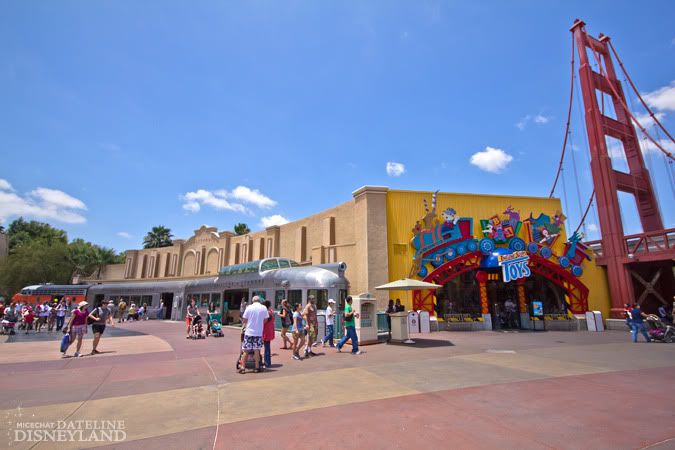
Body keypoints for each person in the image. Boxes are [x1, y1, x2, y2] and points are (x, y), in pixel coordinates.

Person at [238, 296, 268, 373]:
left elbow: (244, 320)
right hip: (258, 333)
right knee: (257, 350)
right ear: (259, 301)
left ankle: (243, 367)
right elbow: (266, 320)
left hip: (249, 333)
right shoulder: (264, 308)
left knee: (246, 350)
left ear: (253, 301)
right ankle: (257, 367)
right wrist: (259, 324)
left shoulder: (249, 307)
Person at [262, 300, 275, 368]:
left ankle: (267, 363)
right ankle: (268, 362)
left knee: (266, 348)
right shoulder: (272, 312)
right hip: (270, 331)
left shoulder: (267, 313)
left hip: (265, 332)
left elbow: (264, 322)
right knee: (267, 347)